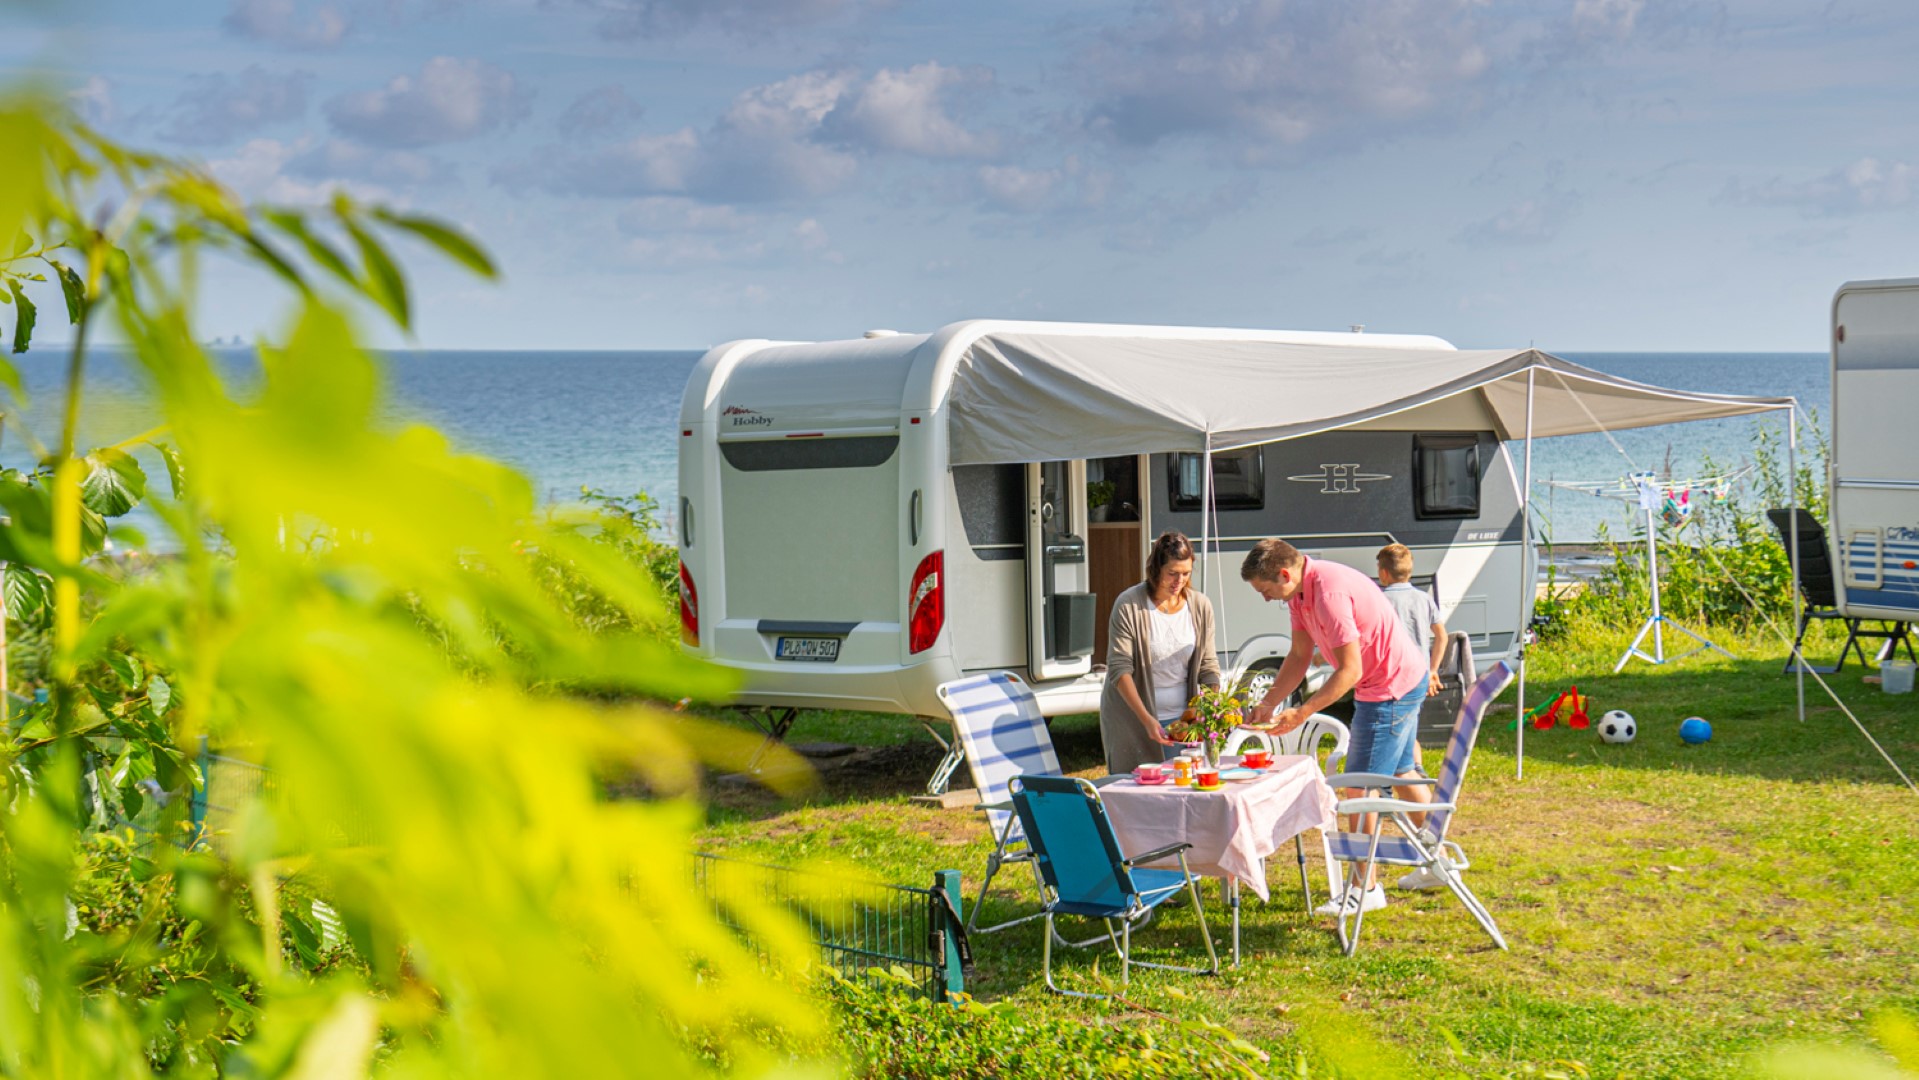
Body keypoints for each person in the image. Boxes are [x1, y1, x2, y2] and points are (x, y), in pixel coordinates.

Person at [1238, 539, 1432, 917]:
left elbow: (1350, 671)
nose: (1265, 599)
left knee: (1359, 787)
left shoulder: (1328, 593)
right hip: (1401, 679)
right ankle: (1437, 860)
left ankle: (1366, 889)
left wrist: (1303, 712)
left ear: (1283, 574)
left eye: (1265, 591)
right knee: (1401, 770)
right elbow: (1298, 655)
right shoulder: (1298, 594)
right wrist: (1269, 703)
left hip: (1388, 688)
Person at [1099, 531, 1222, 775]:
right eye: (1172, 573)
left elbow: (1208, 667)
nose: (1179, 581)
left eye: (1186, 574)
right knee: (1136, 796)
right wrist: (1146, 719)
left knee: (1181, 791)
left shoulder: (1200, 605)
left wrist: (1206, 708)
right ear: (1156, 569)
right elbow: (1119, 668)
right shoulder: (1128, 605)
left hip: (1183, 722)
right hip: (1133, 719)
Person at [1375, 543, 1455, 892]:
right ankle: (1416, 774)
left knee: (1398, 758)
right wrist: (1433, 669)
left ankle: (1434, 849)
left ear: (1383, 572)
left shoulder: (1382, 600)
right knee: (1411, 737)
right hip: (1419, 680)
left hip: (1393, 683)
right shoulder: (1423, 599)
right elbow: (1442, 635)